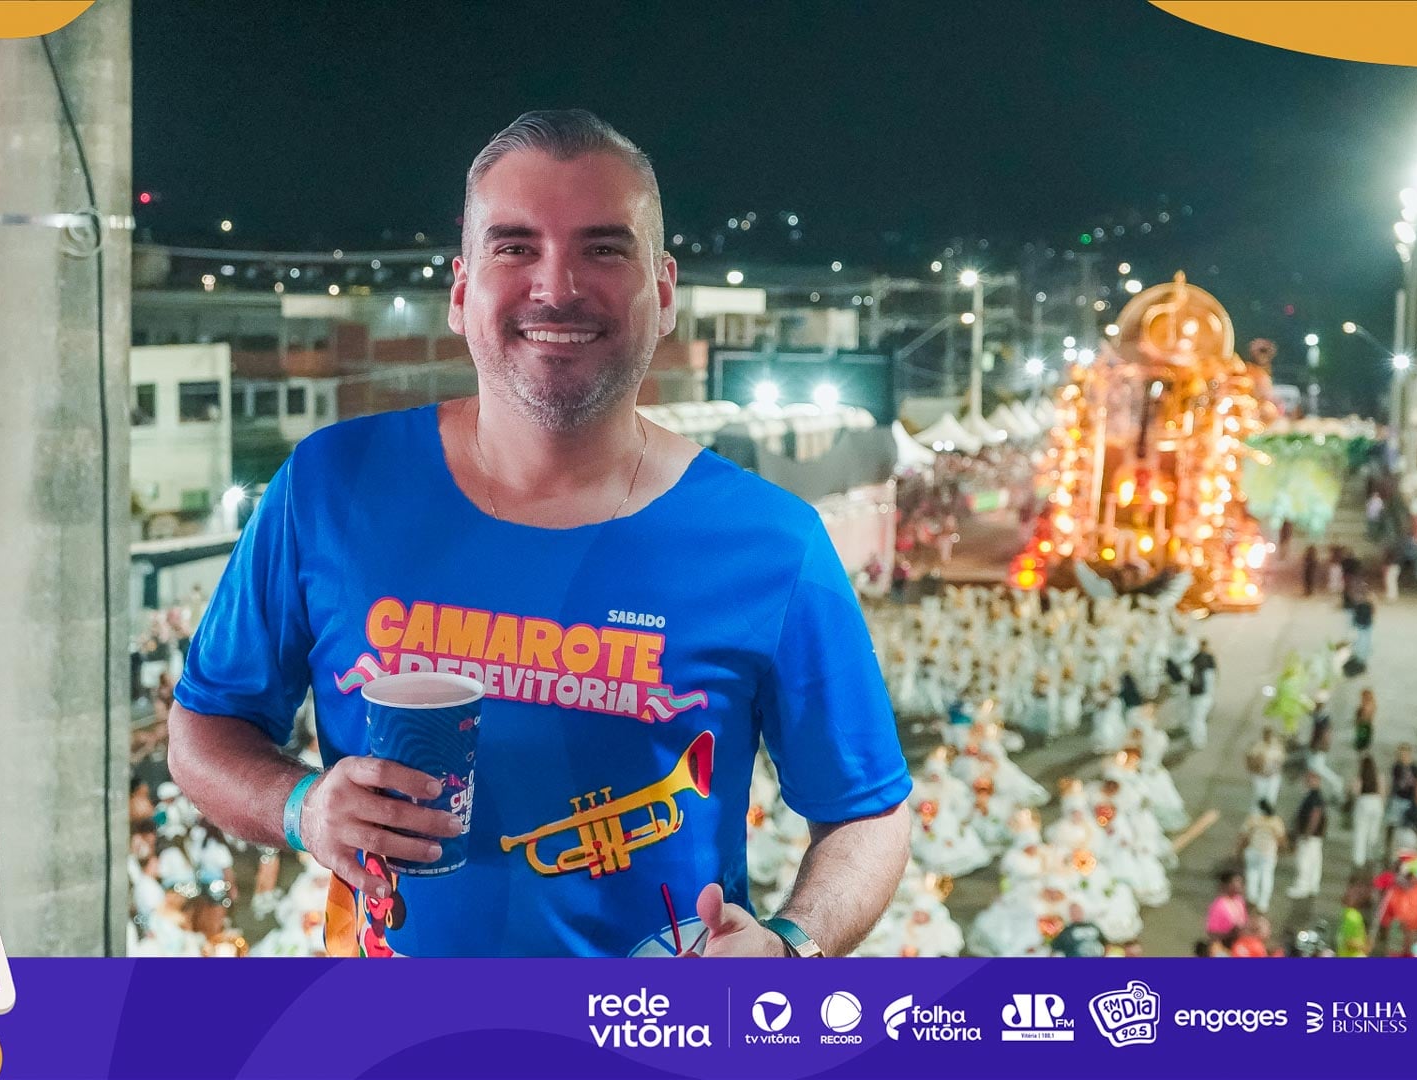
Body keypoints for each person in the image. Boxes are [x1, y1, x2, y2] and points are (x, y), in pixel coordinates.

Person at [167, 111, 912, 958]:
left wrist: (791, 947)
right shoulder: (329, 487)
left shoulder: (774, 543)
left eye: (604, 248)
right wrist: (301, 807)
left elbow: (866, 814)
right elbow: (205, 730)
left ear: (664, 292)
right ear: (461, 292)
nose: (556, 287)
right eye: (515, 247)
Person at [1239, 799, 1288, 913]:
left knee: (1252, 874)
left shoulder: (1253, 819)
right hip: (1269, 853)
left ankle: (1252, 897)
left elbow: (1244, 835)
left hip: (1253, 851)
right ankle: (1263, 904)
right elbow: (1281, 838)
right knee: (1267, 876)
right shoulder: (1276, 821)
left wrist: (1239, 849)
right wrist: (1284, 849)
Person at [1287, 771, 1328, 900]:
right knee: (1314, 861)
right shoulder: (1316, 796)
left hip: (1309, 835)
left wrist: (1308, 832)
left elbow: (1315, 814)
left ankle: (1302, 886)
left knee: (1304, 861)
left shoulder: (1313, 797)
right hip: (1316, 836)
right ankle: (1312, 885)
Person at [1351, 756, 1385, 869]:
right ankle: (1370, 856)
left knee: (1360, 832)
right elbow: (1382, 792)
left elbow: (1355, 791)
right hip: (1377, 802)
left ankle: (1359, 859)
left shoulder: (1361, 776)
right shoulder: (1378, 776)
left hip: (1364, 801)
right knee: (1373, 833)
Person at [1387, 744, 1417, 844]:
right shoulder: (1397, 767)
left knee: (1410, 825)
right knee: (1392, 824)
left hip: (1410, 800)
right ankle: (1389, 847)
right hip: (1397, 798)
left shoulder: (1414, 768)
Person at [1186, 639, 1216, 746]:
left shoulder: (1200, 659)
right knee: (1197, 718)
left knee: (1197, 719)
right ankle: (1198, 739)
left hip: (1199, 694)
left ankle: (1198, 740)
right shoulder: (1207, 658)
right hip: (1201, 694)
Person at [1206, 871, 1248, 944]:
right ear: (1226, 885)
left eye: (1241, 882)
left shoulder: (1239, 901)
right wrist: (1231, 934)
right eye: (1236, 882)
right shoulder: (1218, 906)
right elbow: (1212, 932)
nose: (1239, 885)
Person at [1247, 727, 1285, 811]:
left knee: (1271, 797)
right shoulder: (1258, 746)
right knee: (1259, 797)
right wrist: (1255, 768)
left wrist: (1275, 769)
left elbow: (1281, 761)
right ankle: (1256, 814)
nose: (1269, 737)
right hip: (1260, 776)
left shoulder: (1277, 747)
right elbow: (1250, 759)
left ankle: (1268, 814)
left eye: (1271, 735)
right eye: (1267, 735)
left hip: (1273, 776)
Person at [1350, 591, 1376, 667]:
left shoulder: (1358, 605)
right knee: (1366, 640)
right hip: (1367, 625)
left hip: (1361, 625)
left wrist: (1354, 623)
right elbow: (1373, 613)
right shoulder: (1369, 605)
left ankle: (1360, 655)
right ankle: (1363, 655)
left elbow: (1355, 616)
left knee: (1361, 639)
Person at [1352, 689, 1376, 756]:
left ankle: (1362, 752)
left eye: (1363, 696)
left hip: (1364, 726)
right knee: (1363, 742)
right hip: (1364, 725)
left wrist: (1360, 719)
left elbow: (1365, 717)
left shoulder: (1368, 705)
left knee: (1362, 742)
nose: (1361, 698)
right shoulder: (1368, 705)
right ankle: (1363, 752)